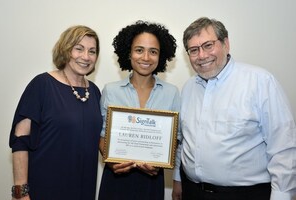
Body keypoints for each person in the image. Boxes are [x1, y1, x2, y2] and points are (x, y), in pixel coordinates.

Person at [172, 17, 296, 200]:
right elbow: (184, 140)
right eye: (193, 50)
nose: (202, 56)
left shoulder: (260, 82)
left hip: (245, 194)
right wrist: (177, 179)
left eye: (208, 45)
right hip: (193, 192)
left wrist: (282, 196)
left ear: (226, 44)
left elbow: (283, 147)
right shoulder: (189, 88)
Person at [9, 25, 102, 200]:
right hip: (45, 187)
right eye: (79, 49)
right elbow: (20, 140)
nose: (86, 57)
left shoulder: (95, 92)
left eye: (92, 51)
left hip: (84, 188)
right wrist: (21, 193)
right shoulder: (42, 85)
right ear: (66, 50)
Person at [98, 20, 179, 200]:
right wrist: (112, 162)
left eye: (153, 52)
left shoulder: (171, 93)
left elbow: (176, 140)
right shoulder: (110, 90)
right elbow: (102, 135)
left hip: (152, 181)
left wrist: (161, 164)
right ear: (128, 53)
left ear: (161, 56)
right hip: (115, 179)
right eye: (139, 50)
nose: (146, 57)